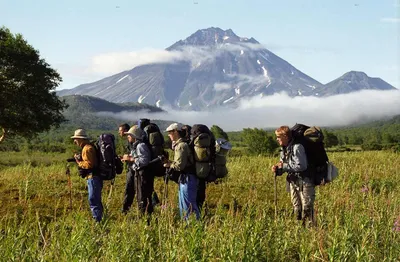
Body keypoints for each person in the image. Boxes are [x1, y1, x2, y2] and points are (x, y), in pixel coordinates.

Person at [271, 126, 315, 225]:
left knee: (307, 207)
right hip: (293, 181)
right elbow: (284, 165)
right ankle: (299, 228)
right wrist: (278, 169)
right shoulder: (284, 149)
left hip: (305, 181)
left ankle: (311, 231)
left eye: (279, 137)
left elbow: (302, 166)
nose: (277, 139)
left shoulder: (297, 147)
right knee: (296, 206)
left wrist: (284, 166)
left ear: (285, 136)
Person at [164, 123, 200, 220]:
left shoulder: (181, 146)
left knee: (188, 206)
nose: (168, 135)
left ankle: (193, 227)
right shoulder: (182, 144)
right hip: (187, 178)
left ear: (176, 132)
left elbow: (179, 166)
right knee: (186, 205)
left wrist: (169, 164)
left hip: (187, 179)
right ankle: (189, 226)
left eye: (170, 132)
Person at [71, 129, 102, 222]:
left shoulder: (87, 148)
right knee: (96, 199)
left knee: (93, 199)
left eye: (76, 139)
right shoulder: (89, 147)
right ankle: (100, 219)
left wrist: (79, 162)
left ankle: (97, 221)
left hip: (93, 177)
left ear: (81, 139)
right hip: (95, 177)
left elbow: (90, 164)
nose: (75, 141)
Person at [121, 125, 154, 215]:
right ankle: (144, 215)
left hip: (142, 174)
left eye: (129, 135)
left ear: (134, 136)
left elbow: (144, 160)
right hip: (140, 174)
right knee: (141, 195)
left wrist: (131, 159)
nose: (128, 136)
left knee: (142, 196)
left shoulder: (140, 146)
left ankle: (145, 216)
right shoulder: (137, 145)